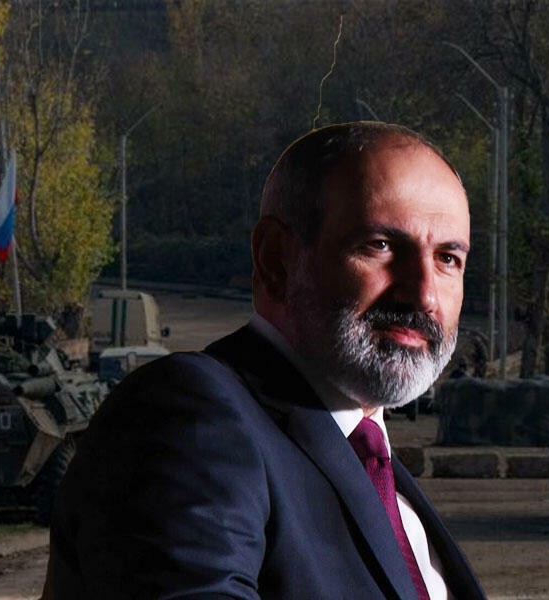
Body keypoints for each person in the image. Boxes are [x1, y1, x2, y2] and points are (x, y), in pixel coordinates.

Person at [43, 122, 485, 599]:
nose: (424, 295)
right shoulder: (188, 416)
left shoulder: (372, 465)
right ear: (276, 259)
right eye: (380, 245)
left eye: (447, 259)